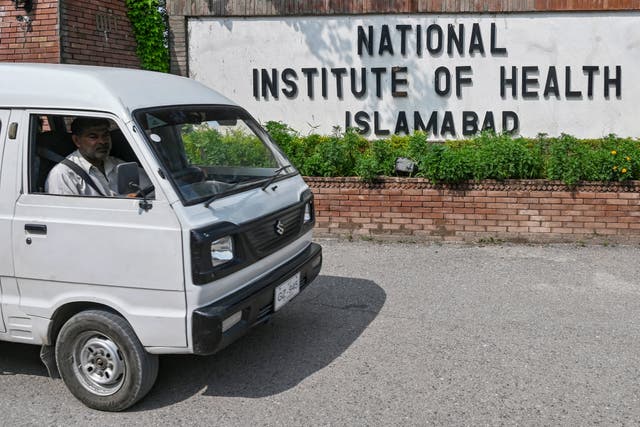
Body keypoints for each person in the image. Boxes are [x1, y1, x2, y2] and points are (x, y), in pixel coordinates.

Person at [45, 117, 149, 196]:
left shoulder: (119, 165)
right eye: (93, 137)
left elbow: (153, 190)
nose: (102, 142)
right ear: (77, 141)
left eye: (105, 135)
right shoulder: (63, 175)